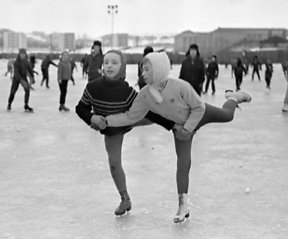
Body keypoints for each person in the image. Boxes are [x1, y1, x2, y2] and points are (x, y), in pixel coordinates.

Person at [95, 52, 251, 223]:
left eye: (147, 69)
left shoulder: (179, 86)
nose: (143, 74)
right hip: (181, 129)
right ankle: (183, 205)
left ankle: (233, 98)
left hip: (200, 115)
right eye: (142, 70)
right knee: (183, 163)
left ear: (159, 70)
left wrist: (188, 128)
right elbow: (131, 117)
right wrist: (107, 121)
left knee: (228, 115)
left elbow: (198, 107)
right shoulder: (145, 94)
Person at [75, 50, 176, 216]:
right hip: (112, 128)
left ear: (122, 67)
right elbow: (80, 108)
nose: (109, 65)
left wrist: (172, 125)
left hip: (128, 119)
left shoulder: (126, 91)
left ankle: (177, 116)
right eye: (106, 62)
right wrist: (91, 118)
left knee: (151, 115)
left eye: (114, 63)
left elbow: (147, 112)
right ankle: (125, 199)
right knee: (114, 164)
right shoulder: (93, 87)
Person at [7, 48, 35, 112]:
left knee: (27, 90)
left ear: (25, 54)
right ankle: (9, 104)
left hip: (24, 77)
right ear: (19, 54)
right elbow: (16, 73)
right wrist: (21, 80)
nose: (22, 55)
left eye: (24, 54)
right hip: (16, 78)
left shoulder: (26, 61)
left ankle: (26, 105)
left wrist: (32, 78)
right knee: (13, 91)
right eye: (21, 54)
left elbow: (30, 69)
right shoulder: (16, 62)